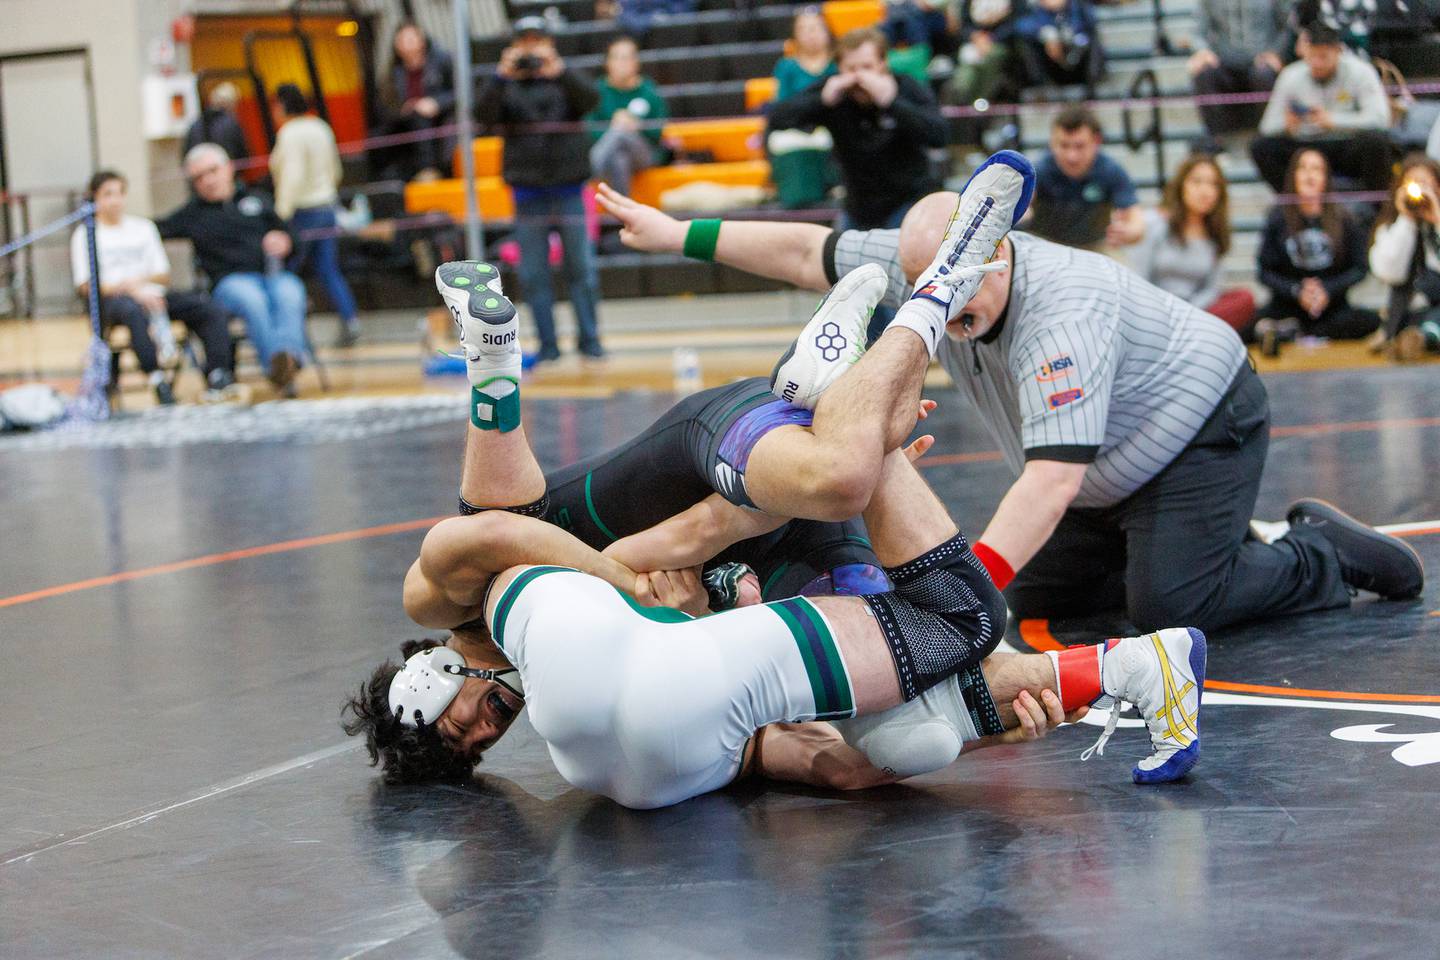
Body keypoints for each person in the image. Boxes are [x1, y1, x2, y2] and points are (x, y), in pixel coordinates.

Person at [344, 159, 1214, 801]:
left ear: (428, 677)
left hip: (712, 460)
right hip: (761, 539)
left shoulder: (465, 596)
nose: (491, 729)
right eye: (481, 748)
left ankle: (926, 302)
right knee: (913, 717)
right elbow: (819, 759)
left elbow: (605, 535)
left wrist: (641, 588)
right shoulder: (574, 663)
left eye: (464, 725)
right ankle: (1130, 669)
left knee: (838, 479)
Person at [597, 161, 1426, 636]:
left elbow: (1050, 482)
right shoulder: (937, 263)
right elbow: (805, 249)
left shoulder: (1059, 312)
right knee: (1041, 599)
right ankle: (1206, 544)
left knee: (1170, 608)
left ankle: (1317, 552)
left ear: (995, 258)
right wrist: (677, 234)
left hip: (1201, 428)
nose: (944, 312)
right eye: (928, 290)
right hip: (1110, 468)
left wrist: (964, 597)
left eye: (958, 293)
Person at [477, 16, 604, 363]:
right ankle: (548, 346)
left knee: (582, 270)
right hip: (527, 193)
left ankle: (591, 341)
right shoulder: (505, 84)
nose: (531, 48)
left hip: (568, 189)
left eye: (538, 40)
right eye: (524, 41)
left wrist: (559, 71)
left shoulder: (564, 77)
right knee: (533, 275)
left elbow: (592, 100)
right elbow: (481, 115)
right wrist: (501, 76)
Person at [70, 169, 242, 405]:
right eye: (108, 194)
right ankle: (157, 377)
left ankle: (218, 373)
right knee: (133, 311)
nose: (115, 200)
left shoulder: (142, 228)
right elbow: (86, 286)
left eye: (119, 193)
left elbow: (162, 275)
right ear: (95, 198)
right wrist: (130, 289)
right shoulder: (85, 234)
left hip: (152, 293)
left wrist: (141, 286)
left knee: (207, 307)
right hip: (114, 299)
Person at [158, 143, 308, 396]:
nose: (208, 180)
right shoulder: (192, 214)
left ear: (228, 168)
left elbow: (292, 236)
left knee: (290, 293)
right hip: (230, 283)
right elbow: (155, 228)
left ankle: (288, 358)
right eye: (198, 177)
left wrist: (285, 241)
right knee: (253, 301)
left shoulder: (257, 200)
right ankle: (279, 366)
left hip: (272, 275)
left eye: (212, 171)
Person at [768, 28, 945, 231]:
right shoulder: (834, 93)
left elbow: (939, 135)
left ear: (883, 63)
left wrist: (892, 103)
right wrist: (821, 101)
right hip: (859, 207)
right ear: (839, 68)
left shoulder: (905, 86)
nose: (860, 77)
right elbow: (777, 119)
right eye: (851, 69)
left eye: (867, 67)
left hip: (908, 202)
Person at [1254, 148, 1381, 355]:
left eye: (1316, 169)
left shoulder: (1346, 219)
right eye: (1302, 168)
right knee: (1252, 322)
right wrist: (1297, 290)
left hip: (1332, 307)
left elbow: (1360, 269)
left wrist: (1327, 290)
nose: (1309, 174)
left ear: (1326, 178)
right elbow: (1264, 271)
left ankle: (1297, 333)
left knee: (1369, 321)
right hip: (1288, 305)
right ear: (1292, 175)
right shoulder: (1277, 217)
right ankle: (1295, 330)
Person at [1250, 23, 1394, 194]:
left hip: (1347, 143)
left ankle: (1377, 206)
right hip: (1305, 144)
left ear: (1338, 51)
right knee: (1261, 147)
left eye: (1323, 56)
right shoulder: (1291, 75)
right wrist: (1286, 125)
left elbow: (1380, 119)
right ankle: (1292, 205)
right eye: (1312, 57)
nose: (1317, 63)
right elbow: (1267, 126)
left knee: (1376, 142)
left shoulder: (1361, 72)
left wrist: (1334, 121)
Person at [270, 84, 361, 349]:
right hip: (327, 207)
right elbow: (335, 170)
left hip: (302, 212)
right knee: (328, 269)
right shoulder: (321, 127)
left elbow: (292, 175)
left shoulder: (289, 133)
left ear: (284, 106)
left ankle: (290, 331)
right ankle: (351, 320)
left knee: (287, 273)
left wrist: (281, 215)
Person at [1129, 154, 1255, 332]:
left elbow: (1211, 290)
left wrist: (1188, 313)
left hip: (1194, 314)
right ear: (1181, 186)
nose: (1205, 191)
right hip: (1156, 313)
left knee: (1244, 298)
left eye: (1213, 184)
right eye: (1197, 182)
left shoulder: (1215, 234)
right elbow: (1139, 279)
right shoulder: (1155, 222)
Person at [1027, 106, 1144, 251]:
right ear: (1052, 142)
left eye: (1079, 146)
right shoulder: (1038, 171)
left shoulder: (1110, 170)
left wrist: (1128, 232)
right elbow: (1022, 207)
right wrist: (1023, 211)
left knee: (1124, 271)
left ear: (1096, 141)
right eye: (1064, 145)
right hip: (1045, 247)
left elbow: (1136, 221)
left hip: (1095, 248)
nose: (1072, 156)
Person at [1369, 154, 1440, 360]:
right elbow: (1391, 273)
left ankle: (1423, 339)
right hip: (1410, 310)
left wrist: (1437, 220)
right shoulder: (1390, 226)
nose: (1419, 191)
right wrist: (1406, 220)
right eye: (1413, 184)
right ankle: (1413, 339)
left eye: (1425, 183)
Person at [1187, 0, 1285, 146]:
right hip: (1224, 61)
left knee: (1264, 74)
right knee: (1204, 73)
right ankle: (1216, 140)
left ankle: (1269, 138)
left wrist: (1276, 52)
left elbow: (1287, 25)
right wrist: (1203, 51)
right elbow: (1197, 32)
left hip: (1262, 59)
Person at [586, 36, 669, 197]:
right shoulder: (596, 91)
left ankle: (590, 170)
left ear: (636, 62)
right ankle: (622, 215)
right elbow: (588, 128)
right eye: (616, 57)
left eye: (626, 57)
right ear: (607, 63)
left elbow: (658, 132)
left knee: (622, 131)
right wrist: (613, 126)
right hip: (611, 153)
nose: (621, 63)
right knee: (619, 159)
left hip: (644, 153)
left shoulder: (649, 90)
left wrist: (637, 126)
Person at [378, 21, 455, 181]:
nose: (407, 44)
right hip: (406, 121)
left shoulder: (442, 61)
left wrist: (436, 103)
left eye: (411, 38)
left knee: (422, 117)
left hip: (441, 116)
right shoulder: (393, 71)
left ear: (422, 39)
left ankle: (428, 170)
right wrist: (404, 108)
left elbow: (460, 92)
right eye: (402, 40)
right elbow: (385, 104)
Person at [1014, 0, 1103, 92]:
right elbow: (1020, 26)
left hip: (1079, 64)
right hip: (1052, 66)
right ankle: (1042, 90)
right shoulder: (1035, 10)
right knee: (1027, 46)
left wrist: (1069, 37)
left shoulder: (1079, 6)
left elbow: (1091, 23)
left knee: (1091, 43)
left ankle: (1092, 89)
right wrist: (1047, 34)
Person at [773, 8, 837, 102]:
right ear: (795, 35)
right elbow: (780, 103)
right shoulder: (786, 66)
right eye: (803, 29)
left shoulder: (840, 61)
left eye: (815, 28)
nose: (811, 34)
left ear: (827, 31)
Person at [182, 82, 249, 171]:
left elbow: (185, 157)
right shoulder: (232, 123)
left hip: (200, 176)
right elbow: (243, 154)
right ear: (230, 103)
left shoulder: (194, 125)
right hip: (228, 176)